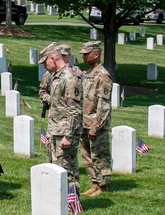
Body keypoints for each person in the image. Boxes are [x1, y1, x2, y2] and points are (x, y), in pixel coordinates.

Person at [38, 42, 83, 192]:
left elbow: (75, 110)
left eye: (45, 62)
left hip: (64, 133)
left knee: (68, 171)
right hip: (55, 131)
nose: (44, 66)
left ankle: (73, 205)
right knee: (56, 169)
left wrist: (68, 136)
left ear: (53, 58)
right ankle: (59, 203)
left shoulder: (70, 78)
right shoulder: (56, 77)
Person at [78, 41, 113, 196]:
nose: (84, 56)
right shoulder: (87, 75)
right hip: (83, 122)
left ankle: (103, 186)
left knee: (100, 155)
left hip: (96, 124)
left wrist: (95, 127)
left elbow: (103, 105)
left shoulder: (103, 76)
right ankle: (94, 183)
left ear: (96, 54)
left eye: (86, 54)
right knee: (87, 156)